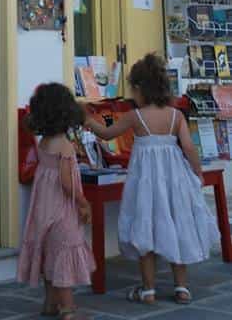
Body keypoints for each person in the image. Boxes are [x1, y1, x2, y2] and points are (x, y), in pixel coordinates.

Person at [85, 52, 219, 305]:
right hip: (174, 182)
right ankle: (181, 288)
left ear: (139, 89)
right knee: (177, 225)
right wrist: (197, 172)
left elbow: (106, 133)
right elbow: (189, 148)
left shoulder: (135, 117)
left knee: (145, 228)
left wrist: (88, 121)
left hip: (145, 183)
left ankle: (148, 290)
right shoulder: (176, 116)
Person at [18, 83, 95, 318]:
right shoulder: (65, 146)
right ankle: (68, 307)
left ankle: (50, 303)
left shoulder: (43, 142)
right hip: (62, 209)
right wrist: (83, 202)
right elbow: (66, 182)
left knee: (51, 255)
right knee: (64, 255)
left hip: (44, 208)